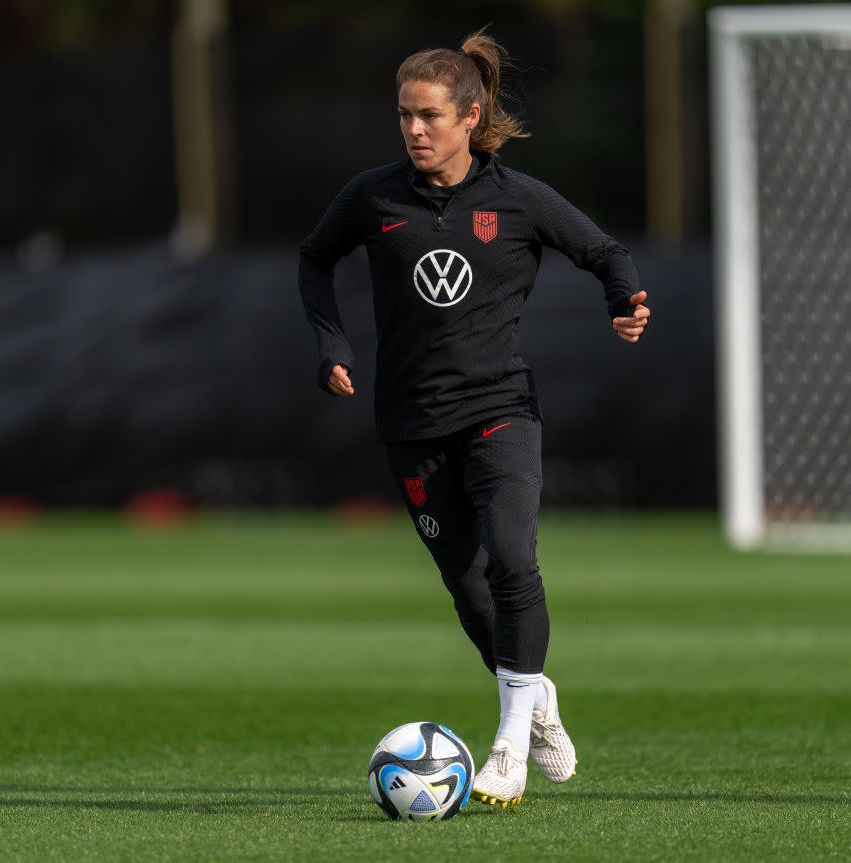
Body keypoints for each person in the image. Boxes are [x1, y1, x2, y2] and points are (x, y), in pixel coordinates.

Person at [299, 30, 650, 808]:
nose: (414, 130)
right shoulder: (374, 196)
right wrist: (330, 343)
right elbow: (315, 258)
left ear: (469, 116)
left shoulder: (516, 199)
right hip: (411, 425)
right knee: (469, 592)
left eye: (428, 116)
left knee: (513, 558)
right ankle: (537, 698)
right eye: (404, 116)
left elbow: (603, 250)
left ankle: (507, 747)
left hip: (500, 411)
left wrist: (625, 302)